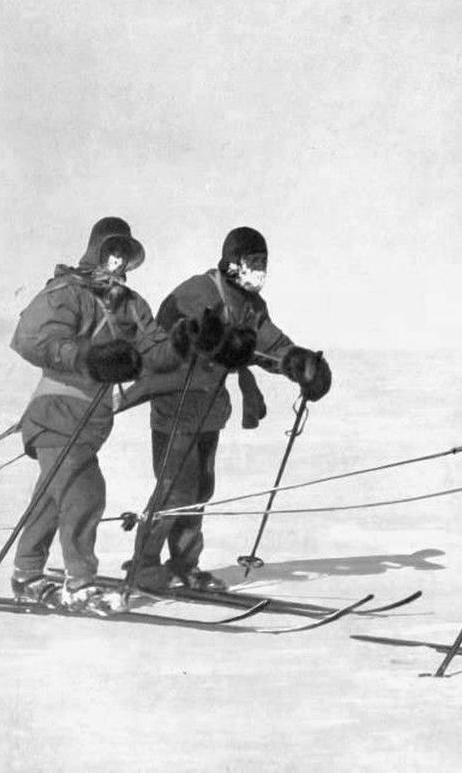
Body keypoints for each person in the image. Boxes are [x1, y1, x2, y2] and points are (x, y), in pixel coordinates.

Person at [123, 226, 331, 592]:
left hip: (210, 406)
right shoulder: (197, 291)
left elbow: (268, 341)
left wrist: (298, 362)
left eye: (264, 262)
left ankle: (185, 566)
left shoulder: (251, 305)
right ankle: (143, 565)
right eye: (253, 261)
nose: (260, 270)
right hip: (176, 402)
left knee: (200, 489)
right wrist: (215, 344)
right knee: (175, 490)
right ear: (233, 263)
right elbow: (172, 338)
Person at [7, 217, 189, 614]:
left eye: (125, 255)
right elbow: (32, 339)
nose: (117, 262)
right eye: (112, 251)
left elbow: (156, 352)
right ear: (96, 250)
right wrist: (89, 357)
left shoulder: (130, 304)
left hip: (91, 418)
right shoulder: (66, 292)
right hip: (56, 410)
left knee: (54, 498)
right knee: (84, 491)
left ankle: (27, 575)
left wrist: (185, 343)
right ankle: (81, 584)